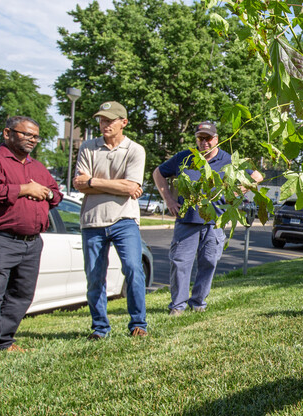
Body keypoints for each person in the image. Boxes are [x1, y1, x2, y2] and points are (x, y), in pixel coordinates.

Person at [0, 116, 62, 368]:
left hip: (31, 242)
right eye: (26, 134)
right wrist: (23, 189)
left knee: (22, 294)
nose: (32, 139)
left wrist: (46, 192)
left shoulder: (38, 167)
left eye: (36, 136)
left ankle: (3, 340)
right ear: (7, 133)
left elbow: (56, 195)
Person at [153, 121, 264, 315]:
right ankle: (177, 306)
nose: (204, 142)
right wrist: (169, 200)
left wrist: (238, 191)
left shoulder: (229, 159)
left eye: (208, 138)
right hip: (186, 220)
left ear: (217, 139)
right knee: (180, 263)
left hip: (215, 221)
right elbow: (158, 173)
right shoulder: (184, 157)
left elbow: (257, 177)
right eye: (200, 138)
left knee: (209, 262)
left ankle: (198, 303)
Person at [73, 101, 148, 339]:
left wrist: (93, 181)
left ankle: (138, 324)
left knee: (134, 269)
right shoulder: (88, 147)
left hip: (124, 220)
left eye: (110, 120)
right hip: (92, 221)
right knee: (95, 277)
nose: (104, 124)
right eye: (102, 120)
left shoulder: (135, 150)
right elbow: (79, 184)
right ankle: (100, 328)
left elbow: (132, 186)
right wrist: (117, 186)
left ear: (123, 122)